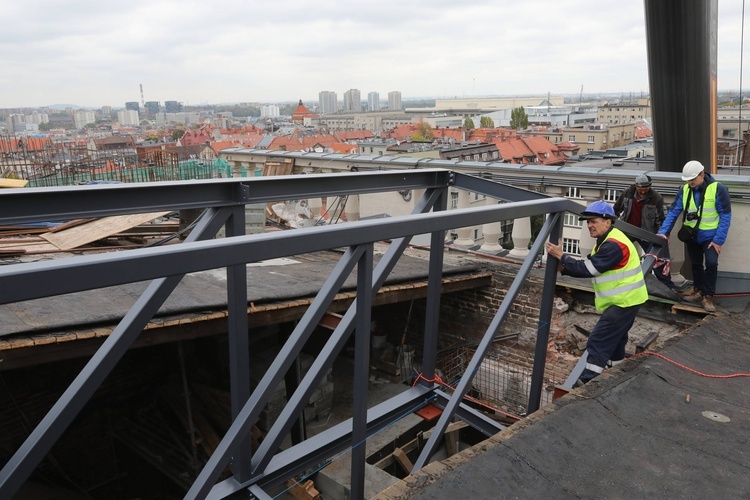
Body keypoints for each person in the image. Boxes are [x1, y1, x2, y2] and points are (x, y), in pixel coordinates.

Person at [546, 200, 648, 385]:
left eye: (594, 221)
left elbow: (588, 269)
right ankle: (617, 371)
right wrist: (564, 267)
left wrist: (562, 256)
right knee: (616, 339)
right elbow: (590, 265)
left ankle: (588, 381)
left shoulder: (613, 244)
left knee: (598, 340)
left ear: (607, 221)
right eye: (588, 222)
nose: (589, 226)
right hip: (627, 300)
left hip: (623, 301)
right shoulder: (608, 240)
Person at [657, 160, 732, 312]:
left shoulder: (718, 189)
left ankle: (708, 296)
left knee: (711, 264)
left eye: (692, 179)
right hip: (692, 235)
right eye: (687, 180)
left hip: (711, 237)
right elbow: (673, 212)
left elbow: (726, 215)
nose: (690, 183)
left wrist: (718, 240)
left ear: (702, 175)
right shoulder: (684, 190)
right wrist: (664, 232)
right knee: (696, 264)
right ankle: (698, 291)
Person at [613, 173, 674, 289]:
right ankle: (616, 278)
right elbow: (616, 209)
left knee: (658, 259)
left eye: (645, 189)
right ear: (636, 186)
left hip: (647, 234)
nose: (643, 192)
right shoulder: (627, 193)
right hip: (628, 230)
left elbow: (663, 219)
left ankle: (666, 286)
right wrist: (613, 225)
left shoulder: (656, 198)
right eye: (640, 189)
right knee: (616, 252)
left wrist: (666, 234)